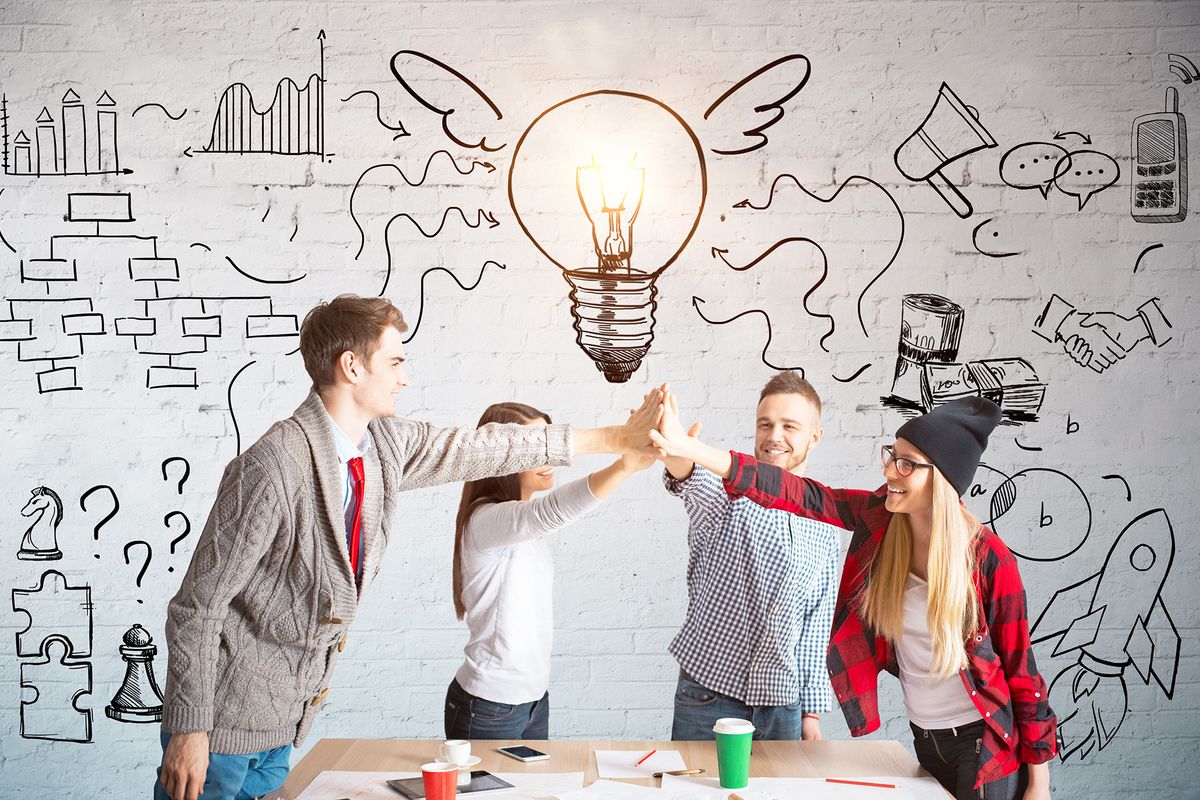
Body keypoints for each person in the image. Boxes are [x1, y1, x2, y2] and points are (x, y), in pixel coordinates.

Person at [156, 295, 663, 800]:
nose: (405, 378)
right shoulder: (274, 464)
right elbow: (198, 606)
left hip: (282, 726)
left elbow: (483, 447)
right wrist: (189, 728)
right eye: (395, 362)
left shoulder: (382, 447)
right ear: (352, 367)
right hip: (219, 731)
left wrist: (618, 438)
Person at [650, 392, 1057, 800]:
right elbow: (797, 493)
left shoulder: (988, 560)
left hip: (983, 743)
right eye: (890, 455)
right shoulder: (880, 523)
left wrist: (1039, 784)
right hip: (926, 740)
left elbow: (1024, 674)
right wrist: (690, 449)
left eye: (906, 463)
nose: (889, 471)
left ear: (943, 478)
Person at [445, 401, 653, 739]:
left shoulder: (520, 526)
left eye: (548, 444)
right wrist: (623, 465)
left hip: (533, 702)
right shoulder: (485, 520)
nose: (550, 458)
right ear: (499, 458)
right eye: (536, 448)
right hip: (489, 706)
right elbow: (551, 511)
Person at [661, 371, 839, 741]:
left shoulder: (825, 522)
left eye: (790, 426)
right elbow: (691, 476)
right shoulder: (728, 492)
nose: (775, 436)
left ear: (815, 436)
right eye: (766, 424)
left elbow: (815, 625)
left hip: (782, 705)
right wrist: (677, 447)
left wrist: (811, 714)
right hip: (709, 697)